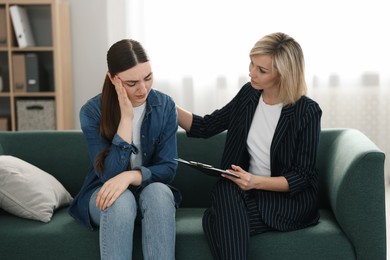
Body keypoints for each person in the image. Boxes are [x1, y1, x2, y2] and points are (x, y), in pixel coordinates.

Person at [177, 32, 322, 260]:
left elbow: (301, 177)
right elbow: (206, 126)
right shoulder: (249, 94)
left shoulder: (307, 111)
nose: (251, 73)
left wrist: (254, 181)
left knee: (214, 220)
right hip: (243, 191)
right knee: (225, 190)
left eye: (261, 70)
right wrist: (166, 105)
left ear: (283, 74)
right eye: (252, 64)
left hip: (285, 199)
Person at [68, 39, 181, 260]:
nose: (143, 89)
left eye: (148, 78)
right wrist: (127, 119)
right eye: (132, 83)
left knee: (159, 192)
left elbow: (168, 168)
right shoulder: (92, 112)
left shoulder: (165, 105)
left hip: (149, 192)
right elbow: (108, 175)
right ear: (113, 79)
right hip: (104, 194)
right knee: (120, 200)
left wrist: (131, 176)